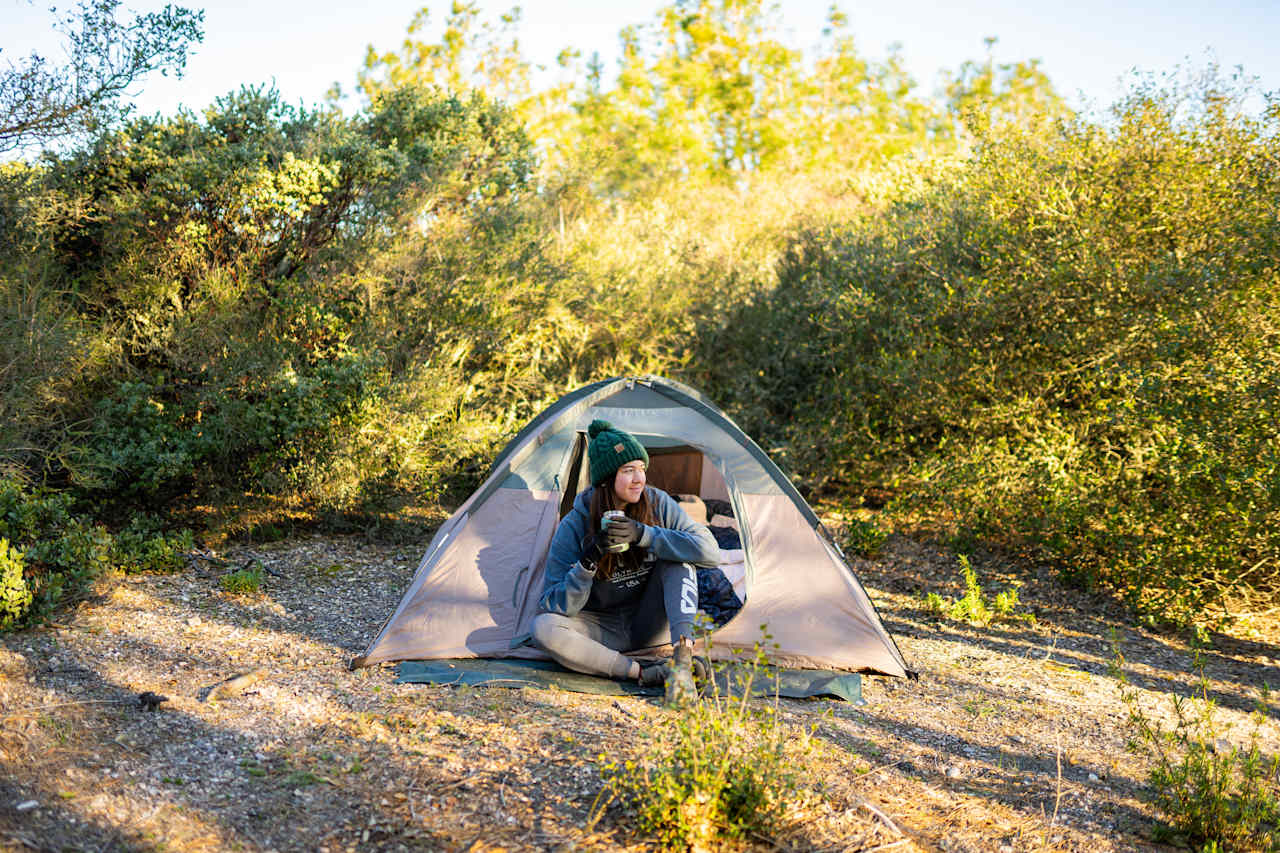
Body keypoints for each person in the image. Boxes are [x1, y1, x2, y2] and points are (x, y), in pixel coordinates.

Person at [532, 419, 718, 701]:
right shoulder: (575, 525)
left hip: (649, 622)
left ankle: (682, 660)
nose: (639, 479)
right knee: (542, 628)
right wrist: (588, 562)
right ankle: (648, 673)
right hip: (600, 627)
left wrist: (645, 535)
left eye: (642, 468)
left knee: (679, 557)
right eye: (628, 470)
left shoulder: (657, 503)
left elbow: (710, 552)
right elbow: (554, 604)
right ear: (606, 479)